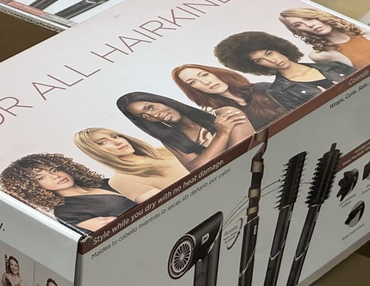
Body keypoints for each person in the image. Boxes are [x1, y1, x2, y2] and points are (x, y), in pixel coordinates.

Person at [214, 31, 355, 111]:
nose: (272, 60)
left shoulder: (332, 66)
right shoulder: (278, 91)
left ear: (279, 49)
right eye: (260, 60)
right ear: (255, 66)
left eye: (269, 53)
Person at [0, 153, 136, 234]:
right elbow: (114, 230)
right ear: (32, 187)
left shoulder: (104, 182)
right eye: (41, 177)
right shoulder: (66, 212)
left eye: (53, 170)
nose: (55, 176)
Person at [115, 92, 255, 171]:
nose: (154, 115)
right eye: (144, 116)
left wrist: (207, 157)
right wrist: (222, 134)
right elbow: (197, 169)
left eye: (150, 107)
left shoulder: (225, 113)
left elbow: (244, 152)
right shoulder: (171, 140)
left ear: (162, 101)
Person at [73, 127, 188, 202]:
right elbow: (170, 204)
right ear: (95, 151)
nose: (117, 142)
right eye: (102, 142)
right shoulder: (121, 180)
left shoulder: (164, 150)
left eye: (115, 136)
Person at [171, 63, 287, 130]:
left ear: (215, 73)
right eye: (193, 82)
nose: (205, 82)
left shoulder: (262, 88)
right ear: (193, 89)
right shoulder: (223, 115)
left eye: (204, 75)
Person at [279, 7, 370, 68]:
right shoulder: (320, 55)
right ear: (297, 31)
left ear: (318, 16)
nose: (309, 25)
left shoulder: (360, 29)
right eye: (298, 25)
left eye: (308, 18)